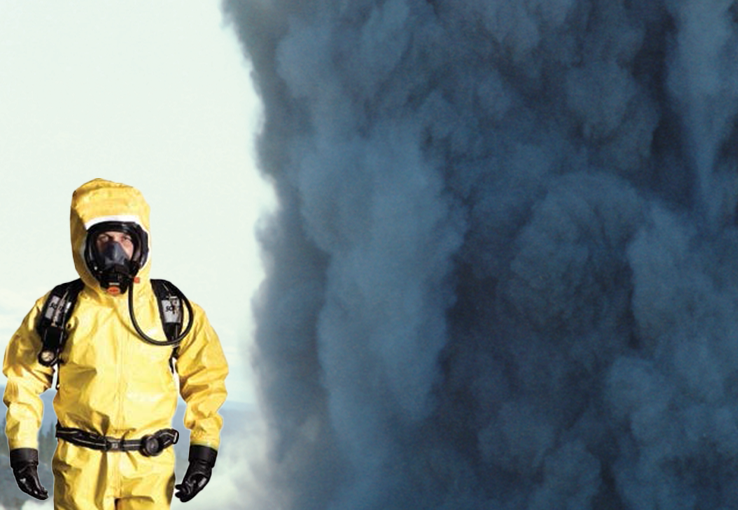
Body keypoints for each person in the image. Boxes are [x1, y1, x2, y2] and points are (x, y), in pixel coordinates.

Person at [3, 178, 228, 509]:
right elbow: (23, 381)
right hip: (82, 467)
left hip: (149, 468)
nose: (115, 251)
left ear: (142, 243)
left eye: (125, 239)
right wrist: (23, 452)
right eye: (104, 239)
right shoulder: (59, 308)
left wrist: (203, 452)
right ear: (84, 243)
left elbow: (206, 381)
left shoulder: (172, 310)